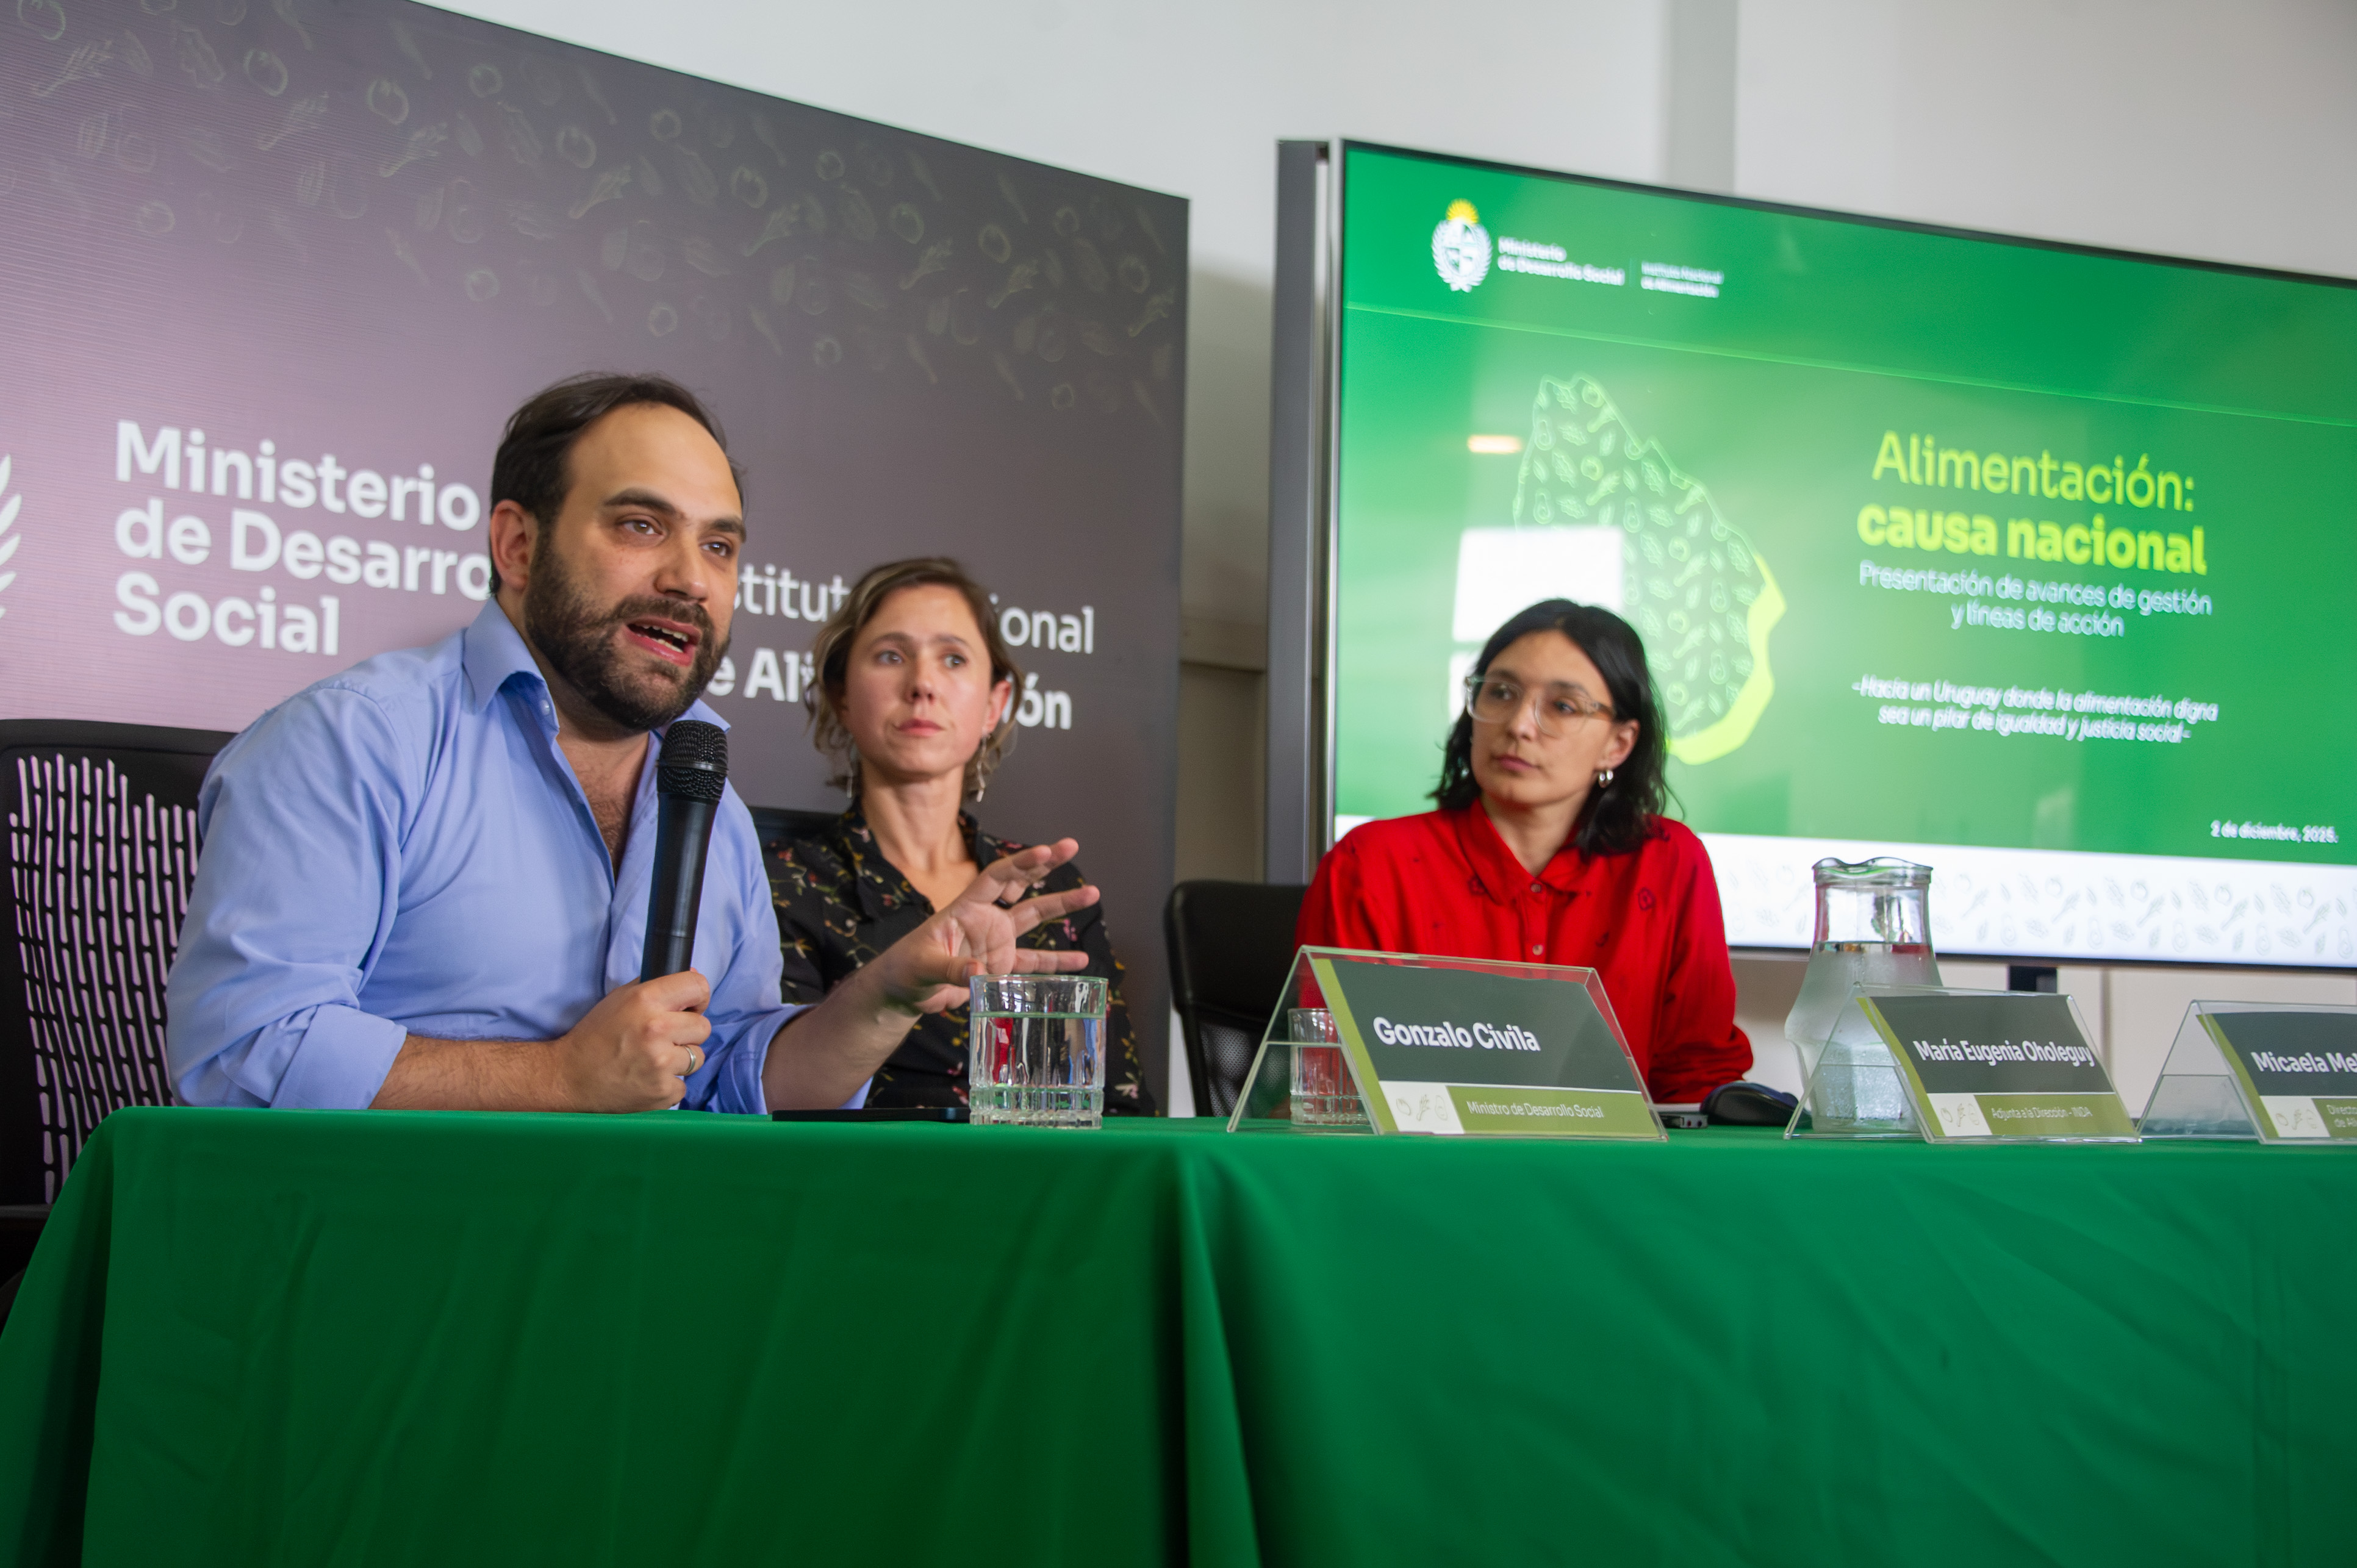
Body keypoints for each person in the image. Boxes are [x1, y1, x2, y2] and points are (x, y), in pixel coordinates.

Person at [167, 373, 1096, 1113]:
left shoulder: (710, 805)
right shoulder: (352, 740)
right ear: (517, 546)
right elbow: (240, 1046)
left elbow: (729, 1075)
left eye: (720, 546)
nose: (690, 578)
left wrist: (886, 994)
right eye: (641, 526)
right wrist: (558, 1078)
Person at [1294, 598, 1752, 1104]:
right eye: (1501, 693)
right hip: (1418, 1153)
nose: (1519, 725)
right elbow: (1331, 1085)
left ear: (1618, 744)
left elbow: (1696, 1079)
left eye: (1563, 706)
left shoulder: (1668, 862)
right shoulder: (1372, 864)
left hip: (1612, 1156)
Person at [768, 559, 1153, 1114]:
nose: (922, 685)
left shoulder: (1050, 890)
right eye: (891, 656)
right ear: (842, 696)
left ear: (994, 704)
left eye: (953, 659)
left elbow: (1121, 1108)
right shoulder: (780, 883)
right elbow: (769, 1108)